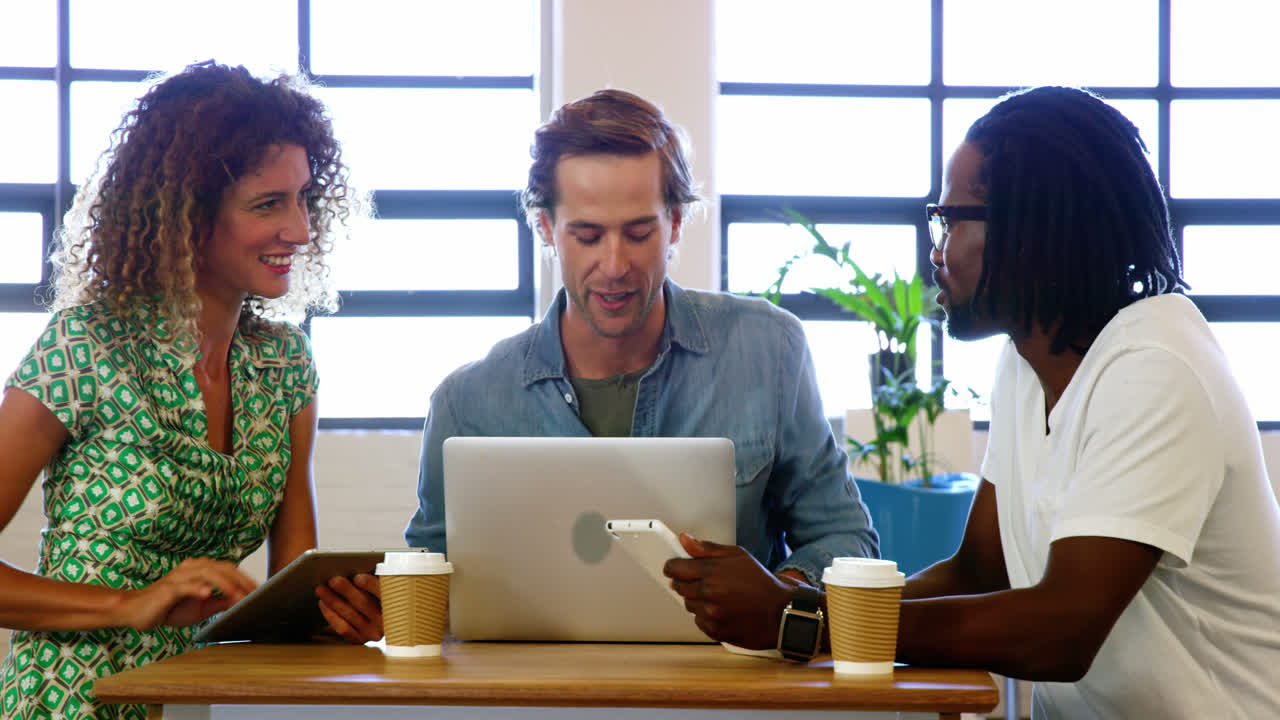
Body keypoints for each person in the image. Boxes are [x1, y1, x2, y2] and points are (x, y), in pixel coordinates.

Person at [405, 88, 878, 653]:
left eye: (638, 232)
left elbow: (847, 540)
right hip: (538, 699)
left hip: (730, 697)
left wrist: (780, 595)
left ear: (675, 222)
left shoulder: (767, 349)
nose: (614, 266)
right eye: (586, 235)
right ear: (545, 229)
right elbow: (430, 588)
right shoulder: (468, 402)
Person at [0, 61, 382, 720]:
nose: (300, 229)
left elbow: (292, 597)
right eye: (268, 204)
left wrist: (339, 617)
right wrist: (127, 606)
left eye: (303, 198)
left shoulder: (285, 366)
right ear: (187, 216)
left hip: (199, 696)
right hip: (71, 697)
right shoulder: (86, 347)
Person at [898, 86, 1280, 717]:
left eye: (952, 218)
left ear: (1029, 231)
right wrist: (817, 608)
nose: (936, 249)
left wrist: (807, 626)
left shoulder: (1155, 369)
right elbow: (979, 572)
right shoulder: (1025, 364)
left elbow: (1060, 632)